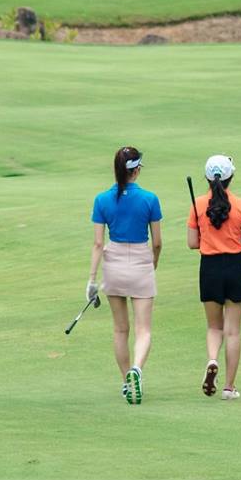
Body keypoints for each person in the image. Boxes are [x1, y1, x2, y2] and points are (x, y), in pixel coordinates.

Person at [87, 145, 161, 404]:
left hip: (114, 264)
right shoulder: (150, 199)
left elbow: (98, 243)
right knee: (143, 329)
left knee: (120, 330)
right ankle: (136, 369)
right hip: (141, 261)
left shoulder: (102, 199)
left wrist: (92, 280)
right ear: (136, 170)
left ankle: (126, 382)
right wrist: (153, 264)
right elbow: (157, 242)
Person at [188, 154, 241, 400]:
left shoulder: (198, 204)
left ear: (207, 178)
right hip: (235, 267)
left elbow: (192, 243)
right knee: (233, 331)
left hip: (209, 267)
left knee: (213, 326)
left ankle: (212, 360)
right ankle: (229, 387)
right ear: (231, 176)